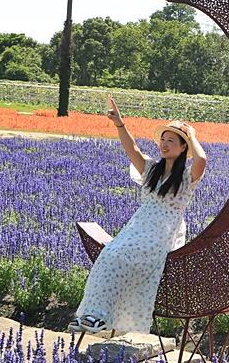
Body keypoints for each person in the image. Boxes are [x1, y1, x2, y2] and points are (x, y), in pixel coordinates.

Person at [69, 96, 207, 334]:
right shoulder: (152, 170)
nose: (164, 145)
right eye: (162, 140)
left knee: (121, 255)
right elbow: (131, 148)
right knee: (109, 254)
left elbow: (202, 159)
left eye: (171, 141)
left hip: (162, 231)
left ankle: (100, 316)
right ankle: (93, 314)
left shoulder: (186, 178)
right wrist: (119, 124)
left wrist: (191, 135)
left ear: (183, 147)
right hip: (138, 227)